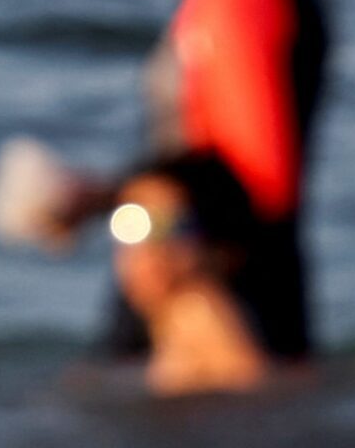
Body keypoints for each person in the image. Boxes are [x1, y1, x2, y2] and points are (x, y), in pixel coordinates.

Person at [52, 0, 332, 364]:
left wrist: (131, 218)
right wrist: (107, 201)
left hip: (206, 282)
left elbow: (256, 178)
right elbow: (211, 165)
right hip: (237, 266)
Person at [107, 155, 270, 397]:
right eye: (132, 223)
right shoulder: (160, 329)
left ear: (224, 251)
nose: (149, 248)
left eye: (174, 227)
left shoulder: (198, 312)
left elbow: (259, 397)